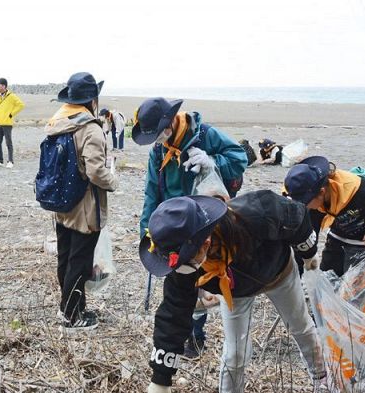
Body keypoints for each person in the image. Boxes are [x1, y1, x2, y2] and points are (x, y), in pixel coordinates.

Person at [140, 193, 341, 393]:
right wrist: (161, 378)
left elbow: (297, 216)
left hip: (278, 274)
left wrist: (308, 253)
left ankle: (322, 380)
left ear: (205, 242)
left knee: (300, 326)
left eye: (186, 261)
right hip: (234, 292)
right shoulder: (183, 265)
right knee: (235, 353)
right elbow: (173, 314)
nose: (181, 270)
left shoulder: (257, 212)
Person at [133, 97, 248, 358]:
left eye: (157, 134)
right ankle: (182, 336)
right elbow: (152, 194)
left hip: (205, 218)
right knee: (177, 278)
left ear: (171, 121)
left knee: (203, 277)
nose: (157, 140)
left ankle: (197, 337)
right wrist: (147, 234)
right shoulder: (158, 151)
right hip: (173, 224)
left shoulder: (205, 135)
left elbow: (240, 159)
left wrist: (211, 161)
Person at [46, 72, 119, 331]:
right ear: (92, 99)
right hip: (85, 206)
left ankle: (69, 307)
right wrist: (113, 181)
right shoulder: (90, 129)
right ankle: (72, 316)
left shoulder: (57, 123)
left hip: (61, 202)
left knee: (65, 257)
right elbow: (96, 172)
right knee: (79, 261)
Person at [284, 156, 365, 276]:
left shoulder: (363, 190)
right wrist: (303, 264)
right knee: (328, 279)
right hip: (338, 237)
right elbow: (309, 234)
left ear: (321, 192)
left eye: (306, 202)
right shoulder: (316, 201)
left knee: (361, 288)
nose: (305, 207)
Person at [0, 78, 24, 169]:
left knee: (8, 143)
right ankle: (0, 161)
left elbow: (21, 105)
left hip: (7, 123)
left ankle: (10, 161)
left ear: (4, 86)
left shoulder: (12, 96)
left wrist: (11, 114)